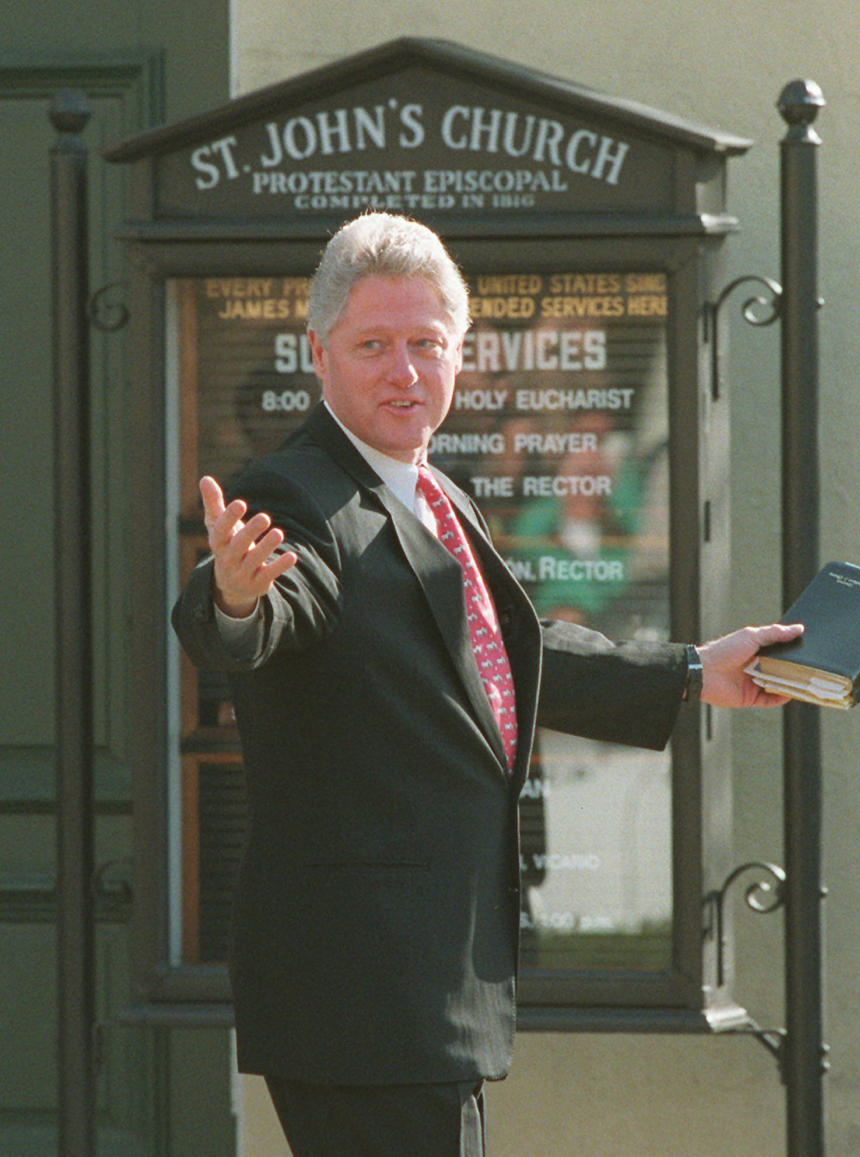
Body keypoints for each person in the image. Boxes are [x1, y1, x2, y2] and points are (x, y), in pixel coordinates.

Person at [172, 211, 803, 1157]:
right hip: (362, 993)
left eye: (428, 343)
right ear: (320, 353)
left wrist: (690, 671)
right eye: (375, 345)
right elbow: (258, 611)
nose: (406, 371)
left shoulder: (435, 491)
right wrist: (229, 596)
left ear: (462, 354)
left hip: (426, 988)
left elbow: (506, 656)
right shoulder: (300, 491)